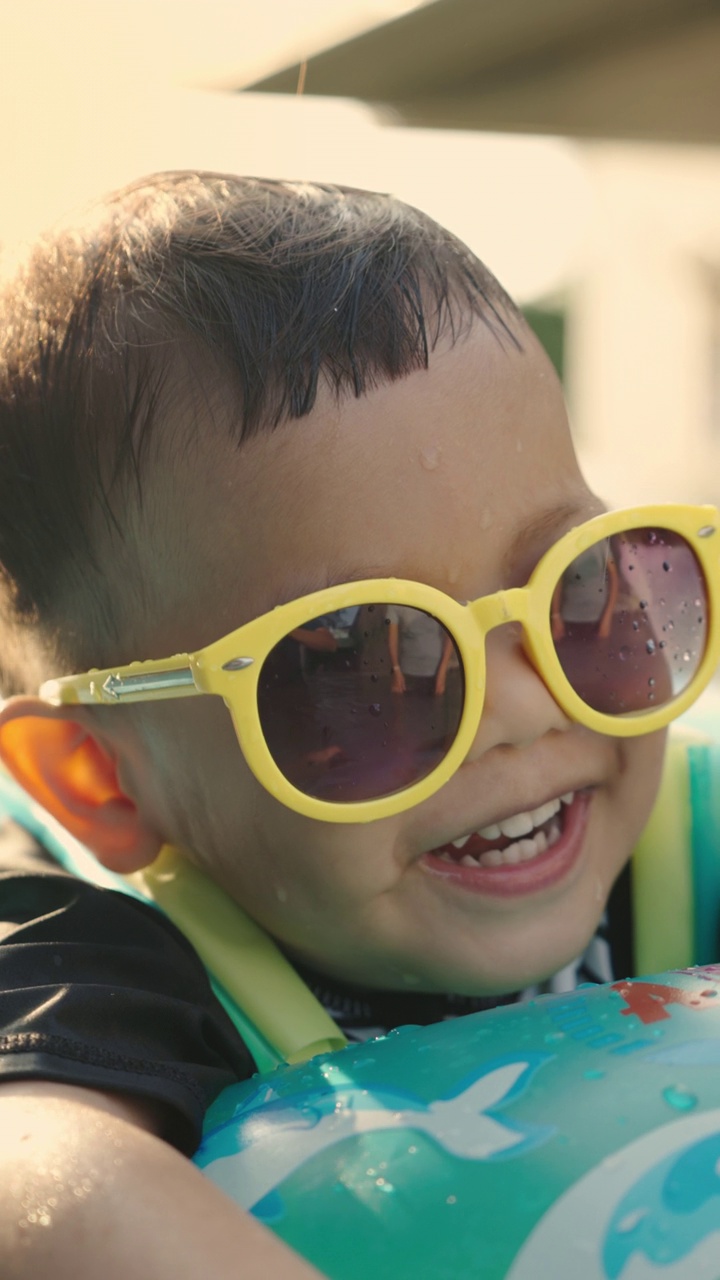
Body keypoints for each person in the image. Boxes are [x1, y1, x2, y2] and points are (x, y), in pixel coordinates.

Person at [0, 171, 709, 1278]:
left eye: (584, 592)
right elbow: (36, 1176)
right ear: (101, 776)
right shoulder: (114, 970)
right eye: (361, 660)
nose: (526, 704)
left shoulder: (686, 839)